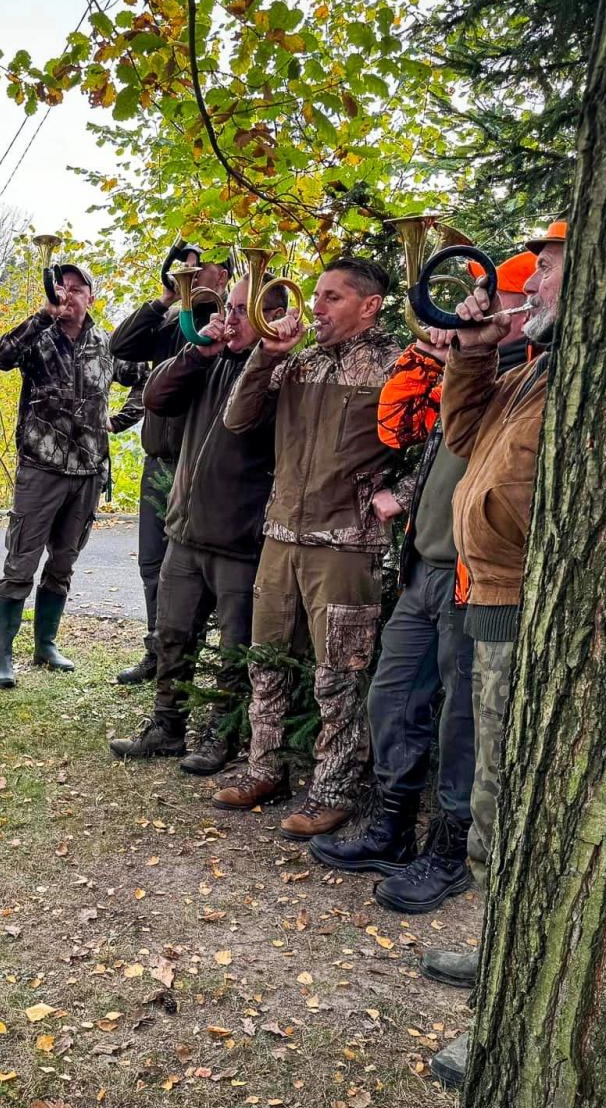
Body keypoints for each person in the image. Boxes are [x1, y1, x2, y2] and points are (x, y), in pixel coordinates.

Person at [310, 250, 538, 916]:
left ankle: (449, 851)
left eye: (495, 299)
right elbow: (399, 427)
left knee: (463, 725)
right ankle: (391, 828)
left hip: (478, 583)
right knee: (393, 701)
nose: (479, 310)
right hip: (425, 569)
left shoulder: (531, 382)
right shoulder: (475, 376)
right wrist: (432, 356)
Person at [420, 221, 566, 1088]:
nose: (529, 286)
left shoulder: (587, 380)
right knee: (490, 797)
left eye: (546, 270)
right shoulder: (533, 374)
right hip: (492, 606)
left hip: (524, 613)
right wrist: (471, 353)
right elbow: (467, 441)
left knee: (511, 806)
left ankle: (505, 1019)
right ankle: (495, 949)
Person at [210, 258, 404, 840]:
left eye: (332, 297)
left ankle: (334, 789)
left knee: (339, 673)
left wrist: (404, 494)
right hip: (280, 538)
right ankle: (264, 768)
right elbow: (237, 418)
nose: (315, 306)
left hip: (346, 546)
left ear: (369, 305)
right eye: (316, 295)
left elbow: (446, 444)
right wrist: (266, 355)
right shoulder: (299, 364)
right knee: (266, 660)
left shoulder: (397, 366)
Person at [108, 274, 281, 775]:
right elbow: (158, 398)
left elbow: (249, 426)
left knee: (233, 648)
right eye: (228, 305)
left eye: (241, 308)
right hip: (184, 532)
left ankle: (221, 734)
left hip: (239, 541)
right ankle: (166, 726)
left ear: (267, 315)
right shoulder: (207, 361)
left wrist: (261, 356)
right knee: (171, 633)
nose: (227, 316)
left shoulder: (274, 372)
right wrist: (196, 352)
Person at [0, 261, 147, 688]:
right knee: (20, 563)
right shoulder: (39, 338)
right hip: (40, 470)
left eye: (79, 288)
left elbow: (148, 377)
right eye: (64, 287)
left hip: (88, 473)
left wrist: (123, 418)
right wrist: (41, 316)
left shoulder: (106, 344)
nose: (69, 294)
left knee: (63, 563)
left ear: (91, 298)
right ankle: (4, 657)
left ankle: (46, 645)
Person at [108, 243, 231, 686]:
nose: (192, 272)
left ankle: (191, 658)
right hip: (159, 463)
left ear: (224, 274)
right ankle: (157, 651)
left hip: (199, 467)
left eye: (203, 265)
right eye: (187, 265)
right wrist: (165, 297)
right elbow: (120, 346)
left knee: (198, 570)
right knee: (152, 564)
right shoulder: (170, 322)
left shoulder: (227, 324)